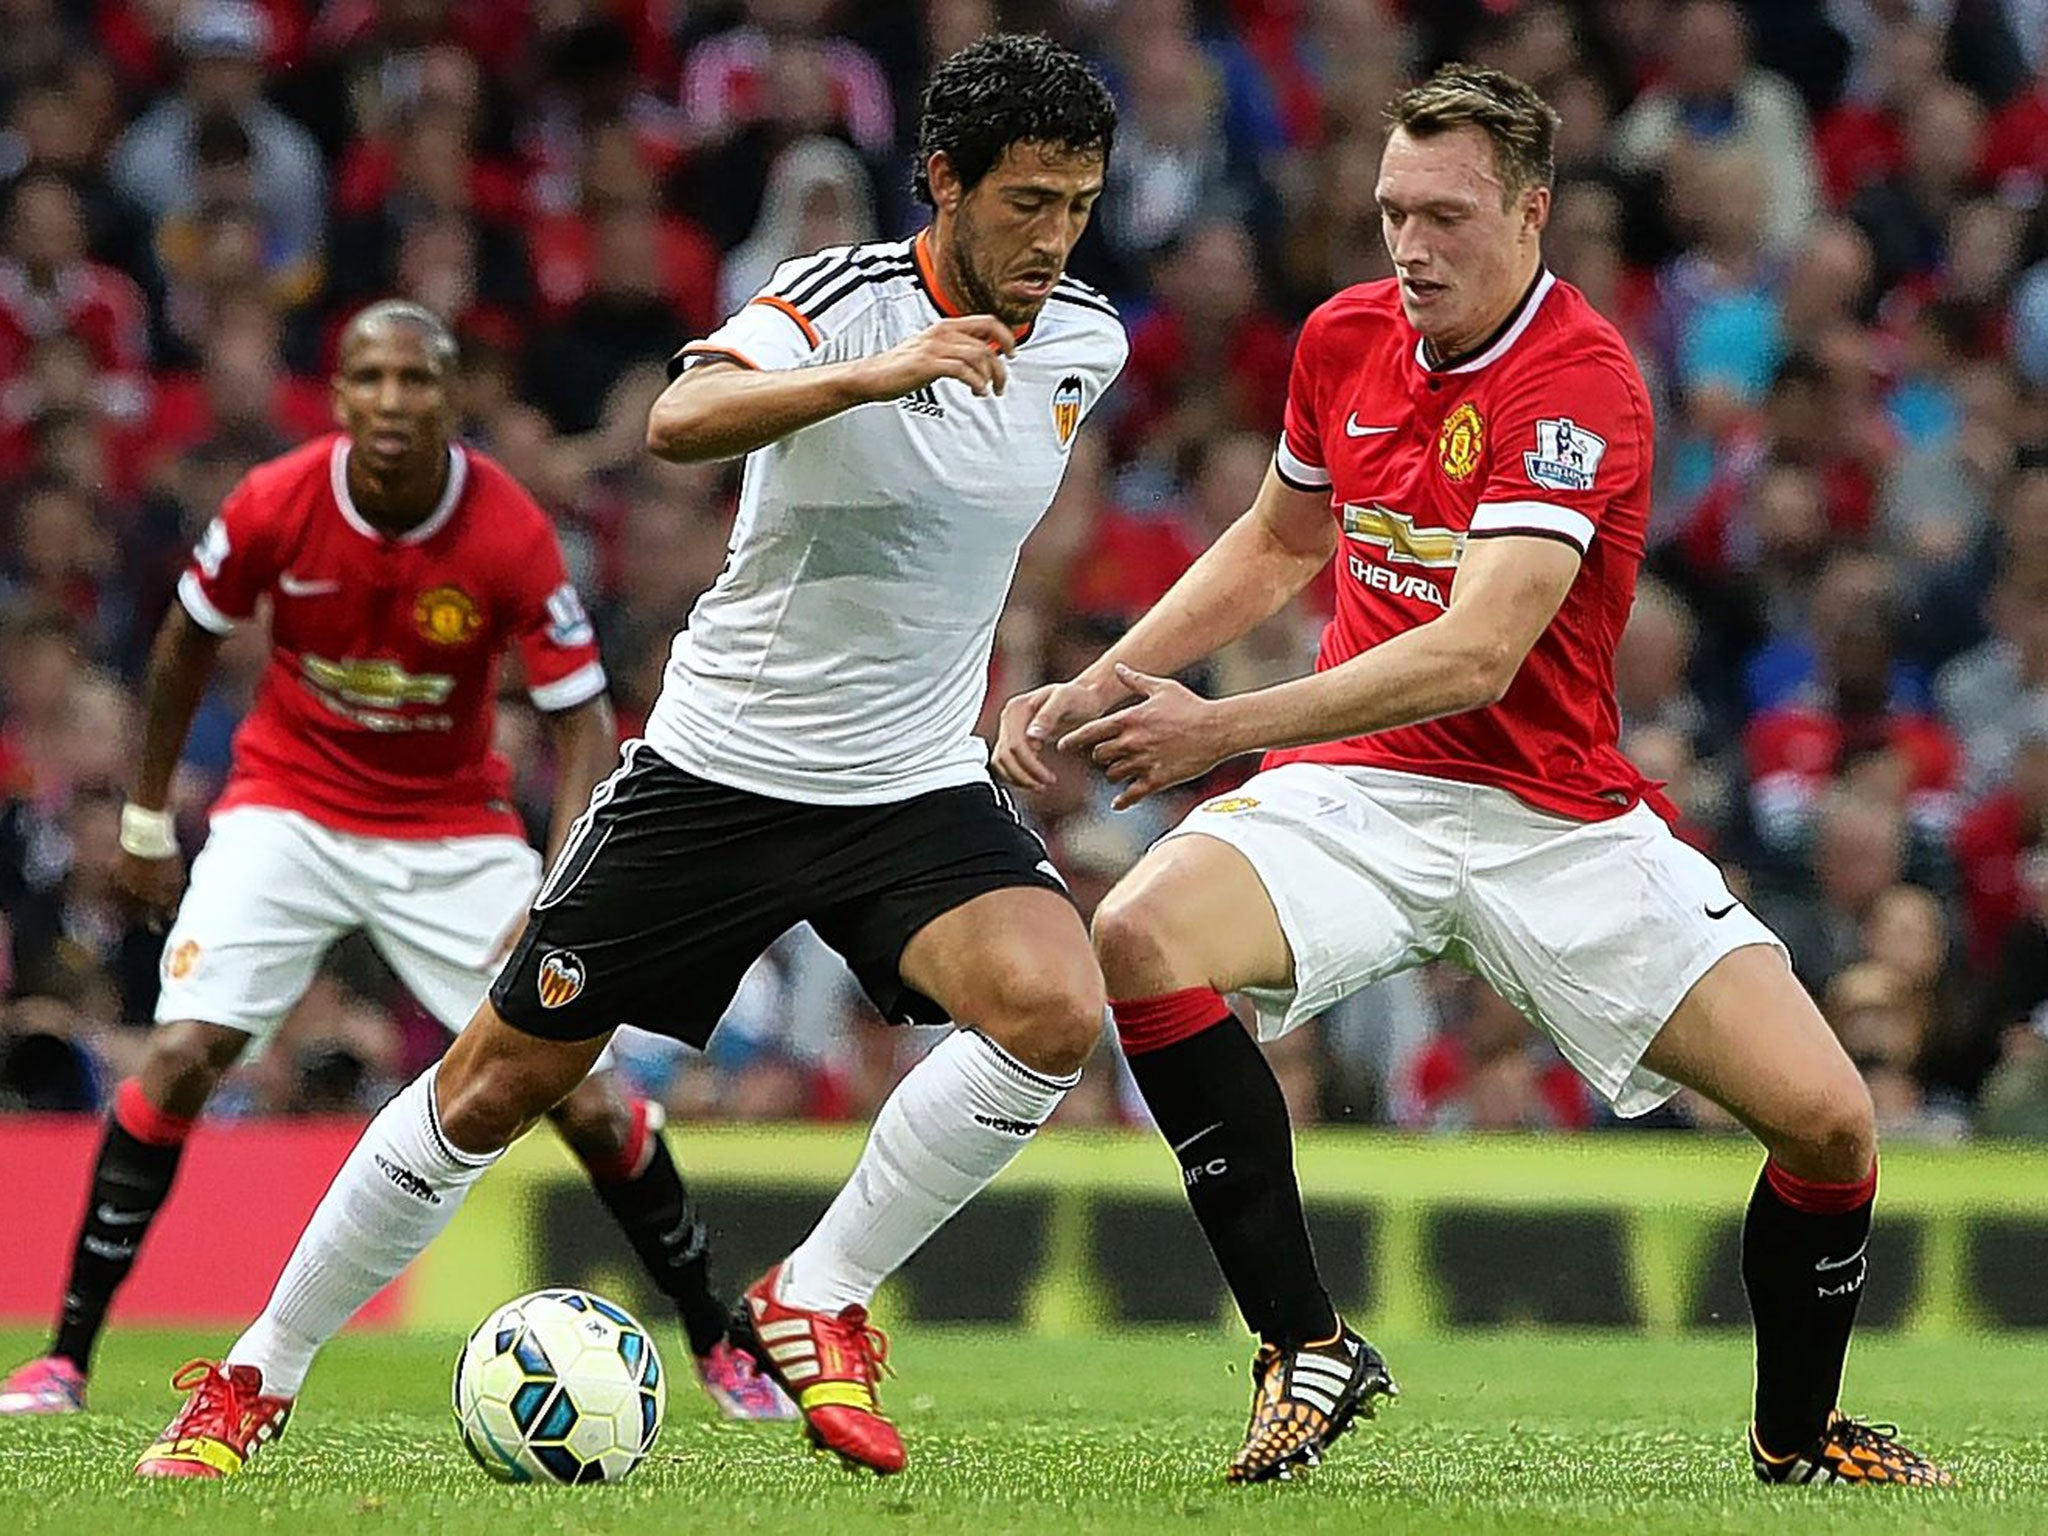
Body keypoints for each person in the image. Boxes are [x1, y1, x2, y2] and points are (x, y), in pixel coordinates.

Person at [131, 34, 1125, 1481]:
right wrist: (877, 377)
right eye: (1027, 200)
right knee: (493, 1086)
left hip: (909, 781)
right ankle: (252, 1378)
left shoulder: (1084, 340)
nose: (1054, 236)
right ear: (946, 183)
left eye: (1080, 203)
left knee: (1051, 1008)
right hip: (717, 773)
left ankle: (816, 1294)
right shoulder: (841, 297)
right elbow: (678, 419)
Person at [996, 64, 1950, 1491]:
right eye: (1392, 212)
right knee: (1139, 936)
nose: (1410, 245)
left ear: (1530, 215)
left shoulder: (1582, 384)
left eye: (1444, 216)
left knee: (1827, 1123)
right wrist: (1103, 677)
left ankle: (1799, 1436)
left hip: (1551, 814)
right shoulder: (1345, 338)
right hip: (1364, 788)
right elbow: (1274, 543)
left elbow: (1479, 653)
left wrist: (1223, 726)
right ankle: (1303, 1343)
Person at [0, 301, 794, 1437]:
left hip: (449, 830)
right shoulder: (276, 501)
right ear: (339, 398)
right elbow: (184, 643)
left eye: (414, 382)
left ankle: (721, 1343)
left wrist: (558, 883)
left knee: (577, 1087)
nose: (390, 402)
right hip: (287, 807)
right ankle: (64, 1356)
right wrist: (138, 816)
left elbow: (579, 723)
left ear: (447, 396)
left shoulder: (505, 529)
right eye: (367, 379)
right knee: (182, 1053)